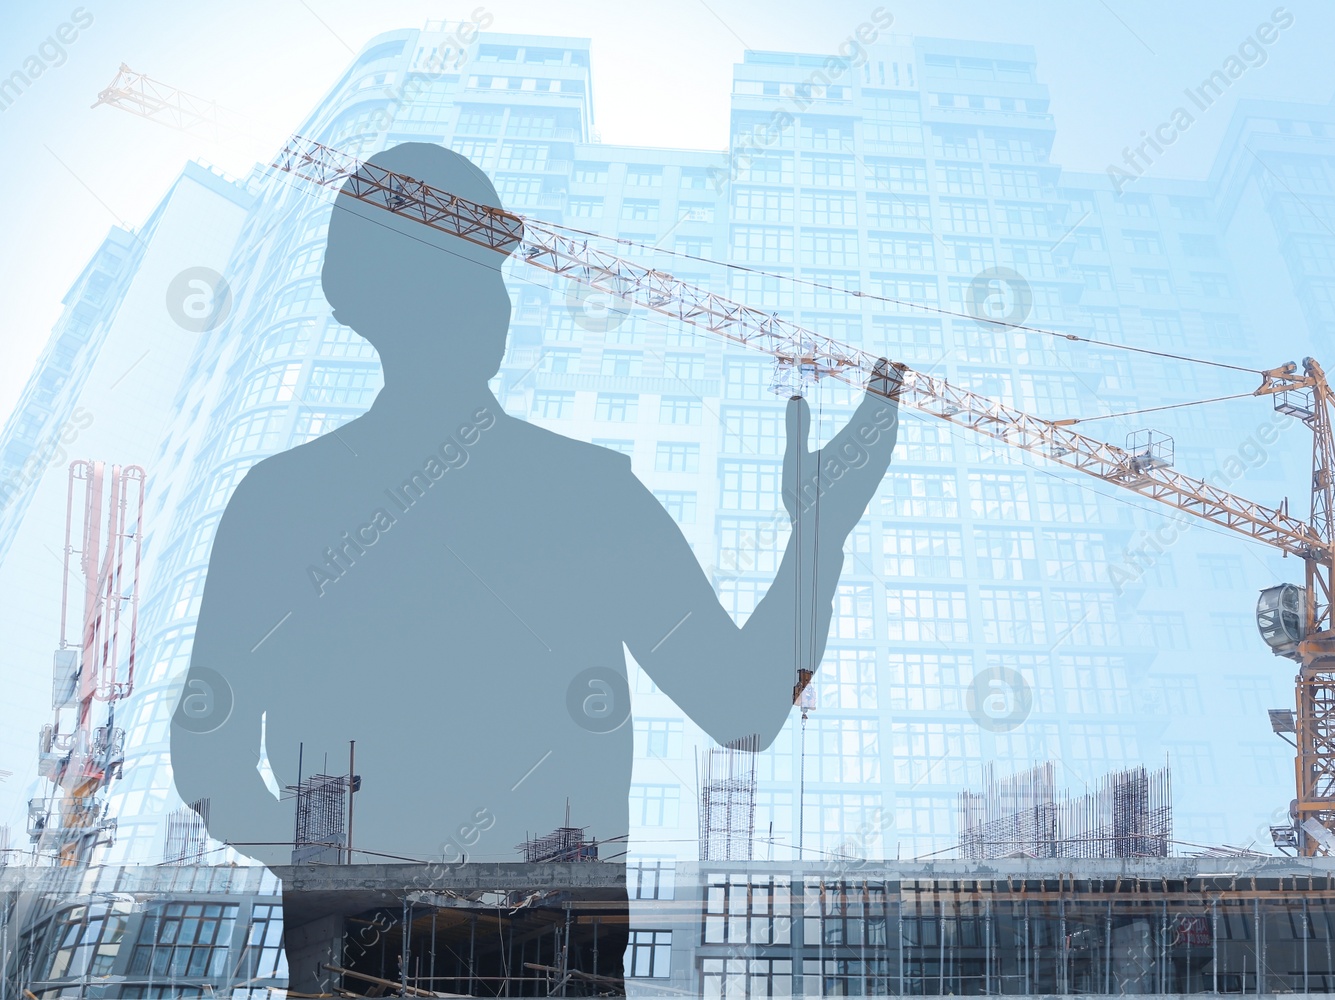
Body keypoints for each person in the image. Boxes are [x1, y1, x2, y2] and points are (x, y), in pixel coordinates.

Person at [169, 142, 899, 992]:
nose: (486, 297)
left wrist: (820, 536)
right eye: (455, 270)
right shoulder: (287, 503)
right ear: (367, 297)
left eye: (489, 271)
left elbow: (743, 707)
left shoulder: (582, 493)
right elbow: (206, 755)